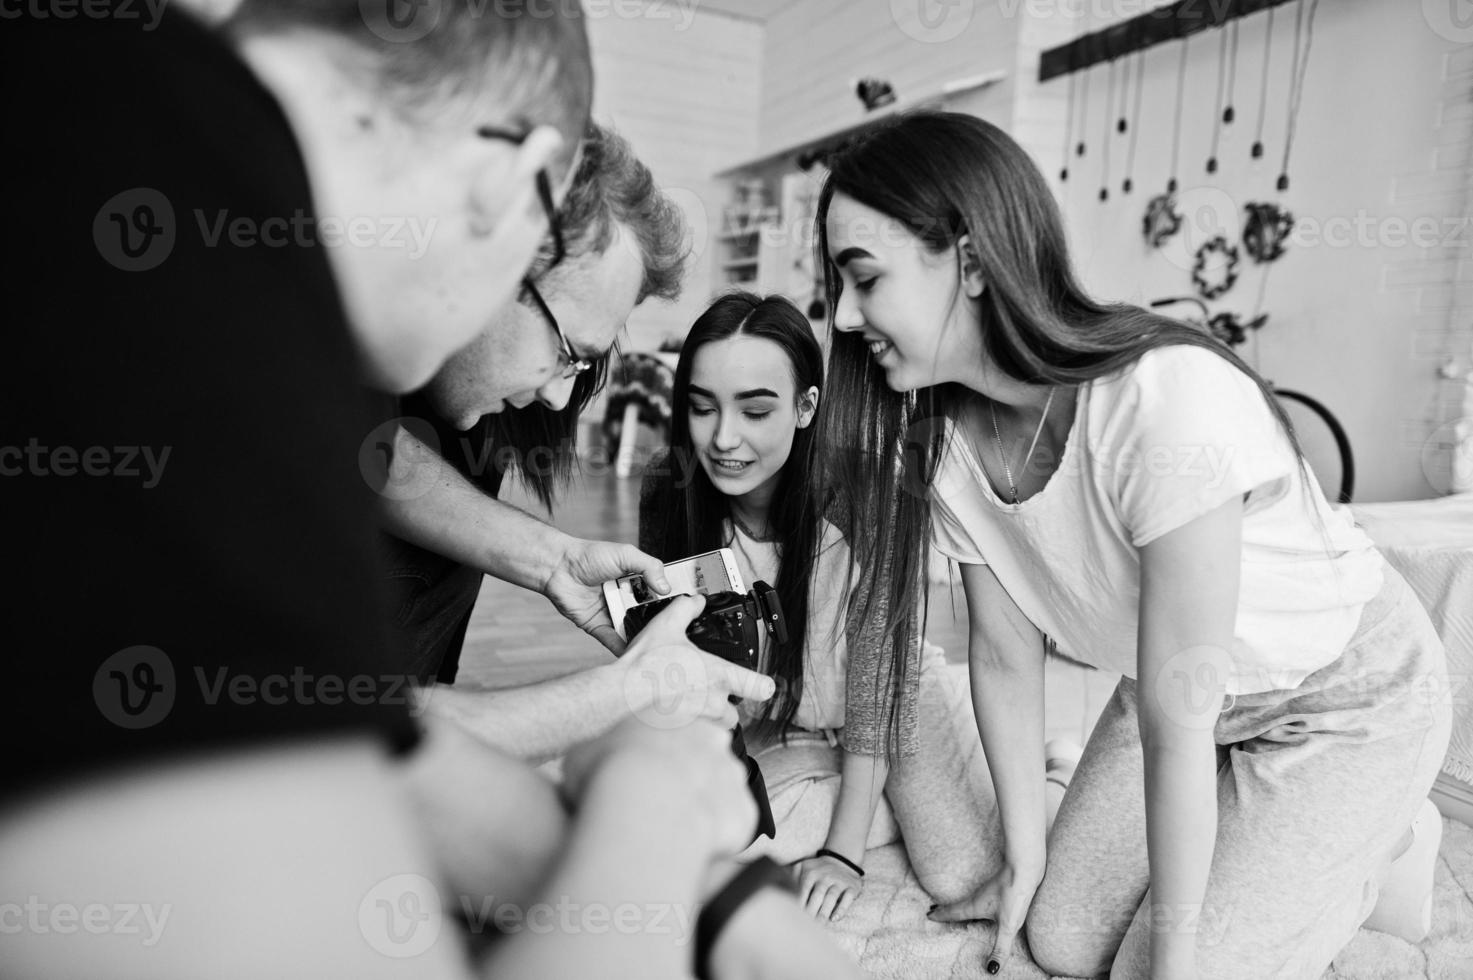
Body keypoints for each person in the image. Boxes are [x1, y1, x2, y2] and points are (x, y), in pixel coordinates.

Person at [3, 4, 849, 977]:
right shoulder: (168, 198)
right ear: (512, 179)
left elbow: (372, 741)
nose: (564, 387)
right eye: (574, 351)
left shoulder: (154, 160)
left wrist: (715, 900)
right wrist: (650, 783)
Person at [811, 110, 1452, 979]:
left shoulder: (1163, 401)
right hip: (1180, 699)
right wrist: (1024, 859)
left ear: (967, 260)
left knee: (1167, 961)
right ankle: (1267, 845)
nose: (845, 318)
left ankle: (1380, 842)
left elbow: (1174, 721)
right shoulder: (943, 442)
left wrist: (1177, 962)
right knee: (1063, 940)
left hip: (1341, 697)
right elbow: (1003, 656)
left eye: (864, 279)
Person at [639, 292, 1079, 922]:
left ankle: (1053, 768)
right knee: (690, 847)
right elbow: (676, 662)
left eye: (756, 410)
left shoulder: (872, 491)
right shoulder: (669, 487)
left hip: (890, 703)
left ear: (805, 407)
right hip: (778, 722)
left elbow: (880, 687)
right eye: (702, 408)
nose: (723, 438)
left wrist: (843, 853)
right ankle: (869, 796)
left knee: (963, 873)